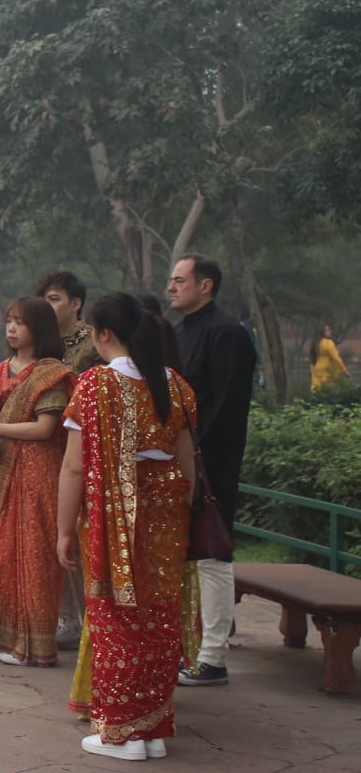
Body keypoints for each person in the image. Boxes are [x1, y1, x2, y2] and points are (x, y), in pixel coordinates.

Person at [57, 292, 197, 761]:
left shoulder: (95, 384)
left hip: (113, 520)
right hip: (167, 518)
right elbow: (187, 466)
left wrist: (61, 530)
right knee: (157, 621)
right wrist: (178, 518)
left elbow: (74, 469)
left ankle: (119, 733)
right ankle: (152, 730)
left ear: (103, 334)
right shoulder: (174, 384)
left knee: (115, 618)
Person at [168, 253, 257, 687]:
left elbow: (226, 404)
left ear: (206, 286)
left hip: (211, 462)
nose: (172, 287)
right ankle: (186, 646)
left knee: (213, 554)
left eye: (181, 280)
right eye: (171, 279)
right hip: (178, 458)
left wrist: (196, 457)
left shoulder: (226, 333)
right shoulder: (182, 332)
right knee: (185, 556)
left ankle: (213, 655)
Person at [0, 297, 72, 667]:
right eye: (9, 321)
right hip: (3, 467)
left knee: (34, 555)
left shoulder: (51, 373)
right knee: (5, 554)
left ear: (39, 329)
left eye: (21, 322)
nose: (11, 328)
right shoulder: (0, 371)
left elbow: (46, 429)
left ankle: (35, 644)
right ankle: (9, 636)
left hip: (38, 470)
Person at [36, 269, 98, 650]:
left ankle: (89, 617)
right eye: (43, 298)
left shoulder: (91, 345)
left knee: (77, 535)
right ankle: (64, 615)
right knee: (51, 532)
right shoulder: (41, 342)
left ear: (76, 304)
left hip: (77, 450)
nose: (47, 305)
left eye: (55, 298)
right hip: (44, 453)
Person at [310, 324, 351, 391]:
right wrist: (344, 370)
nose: (330, 331)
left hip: (316, 367)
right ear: (322, 332)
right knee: (328, 390)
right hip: (327, 369)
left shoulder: (315, 343)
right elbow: (336, 358)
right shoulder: (328, 343)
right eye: (328, 330)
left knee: (316, 389)